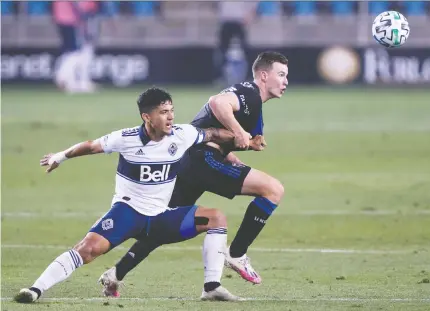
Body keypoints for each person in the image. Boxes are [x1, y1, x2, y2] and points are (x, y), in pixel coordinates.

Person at [13, 87, 251, 303]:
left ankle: (211, 287)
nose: (170, 117)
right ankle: (35, 290)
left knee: (216, 218)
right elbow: (91, 145)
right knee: (86, 250)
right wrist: (60, 156)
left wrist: (245, 140)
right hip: (128, 214)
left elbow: (212, 134)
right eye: (163, 112)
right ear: (147, 117)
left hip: (161, 218)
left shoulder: (183, 134)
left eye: (171, 111)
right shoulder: (126, 138)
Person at [100, 51, 289, 296]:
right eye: (281, 74)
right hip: (203, 160)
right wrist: (240, 132)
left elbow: (208, 126)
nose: (286, 81)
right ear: (264, 75)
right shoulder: (250, 93)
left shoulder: (252, 101)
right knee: (273, 189)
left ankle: (116, 274)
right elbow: (216, 103)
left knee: (161, 225)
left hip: (191, 161)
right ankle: (237, 253)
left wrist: (232, 154)